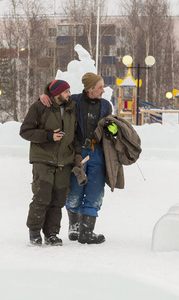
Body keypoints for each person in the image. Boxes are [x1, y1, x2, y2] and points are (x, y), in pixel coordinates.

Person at [40, 72, 113, 244]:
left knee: (95, 192)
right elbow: (54, 97)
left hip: (97, 153)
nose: (103, 90)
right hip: (76, 153)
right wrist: (44, 94)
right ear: (90, 89)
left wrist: (112, 130)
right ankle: (74, 227)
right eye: (100, 87)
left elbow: (109, 127)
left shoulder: (105, 105)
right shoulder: (73, 101)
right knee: (74, 191)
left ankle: (86, 232)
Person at [20, 80, 79, 246]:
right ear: (56, 93)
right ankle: (34, 232)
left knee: (59, 199)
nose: (69, 94)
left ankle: (52, 234)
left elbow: (74, 136)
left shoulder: (71, 108)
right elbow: (25, 131)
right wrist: (48, 136)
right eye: (66, 91)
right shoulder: (39, 107)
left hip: (64, 161)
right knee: (42, 196)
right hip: (43, 159)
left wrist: (77, 156)